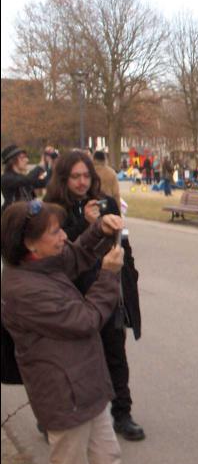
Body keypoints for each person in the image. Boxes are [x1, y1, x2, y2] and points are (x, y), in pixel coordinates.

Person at [0, 201, 152, 464]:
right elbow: (85, 319)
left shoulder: (40, 265)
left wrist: (99, 230)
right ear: (29, 243)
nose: (63, 237)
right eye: (55, 232)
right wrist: (109, 276)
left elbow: (74, 257)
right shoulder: (23, 289)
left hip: (86, 385)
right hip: (63, 393)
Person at [44, 150, 146, 441]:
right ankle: (59, 412)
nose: (82, 182)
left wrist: (130, 272)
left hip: (107, 286)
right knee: (71, 358)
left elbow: (121, 241)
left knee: (115, 351)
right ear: (64, 178)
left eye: (86, 176)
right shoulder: (53, 209)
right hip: (71, 293)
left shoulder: (106, 203)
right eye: (75, 176)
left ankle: (122, 413)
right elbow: (59, 253)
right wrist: (84, 224)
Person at [1, 144, 54, 212]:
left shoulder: (22, 178)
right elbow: (28, 180)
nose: (27, 160)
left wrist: (51, 166)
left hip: (28, 216)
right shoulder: (6, 179)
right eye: (22, 157)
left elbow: (43, 182)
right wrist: (40, 165)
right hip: (13, 218)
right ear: (12, 161)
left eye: (26, 157)